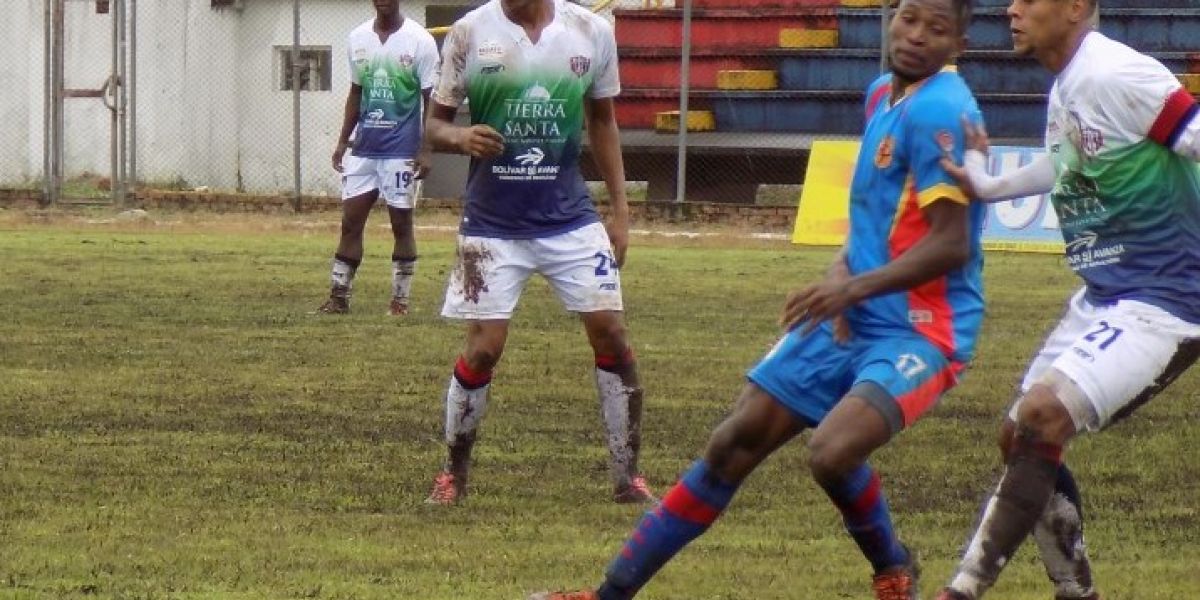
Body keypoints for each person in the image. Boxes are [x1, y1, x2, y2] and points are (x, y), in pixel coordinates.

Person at [530, 1, 985, 598]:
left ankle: (892, 567)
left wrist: (849, 288)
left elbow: (952, 245)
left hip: (924, 328)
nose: (917, 36)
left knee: (831, 452)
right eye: (908, 18)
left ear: (961, 43)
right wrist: (839, 281)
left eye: (937, 28)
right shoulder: (881, 95)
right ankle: (608, 594)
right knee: (732, 442)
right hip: (853, 308)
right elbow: (876, 218)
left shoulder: (945, 111)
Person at [933, 0, 1200, 598]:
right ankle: (1078, 593)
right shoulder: (1070, 84)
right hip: (1105, 292)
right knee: (1018, 439)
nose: (1012, 7)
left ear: (1077, 7)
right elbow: (1067, 164)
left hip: (1165, 300)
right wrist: (989, 184)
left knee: (1042, 419)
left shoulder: (1116, 73)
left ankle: (961, 590)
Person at [421, 0, 655, 505]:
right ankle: (452, 475)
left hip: (570, 218)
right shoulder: (467, 32)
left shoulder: (590, 31)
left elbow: (603, 122)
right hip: (491, 223)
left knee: (612, 332)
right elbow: (433, 126)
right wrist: (460, 136)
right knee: (483, 348)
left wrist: (620, 210)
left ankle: (627, 477)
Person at [316, 0, 438, 316]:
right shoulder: (358, 38)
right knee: (350, 222)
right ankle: (338, 298)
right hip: (365, 149)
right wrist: (343, 140)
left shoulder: (420, 40)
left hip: (401, 151)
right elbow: (356, 92)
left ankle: (400, 303)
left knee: (401, 224)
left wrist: (426, 149)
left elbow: (431, 101)